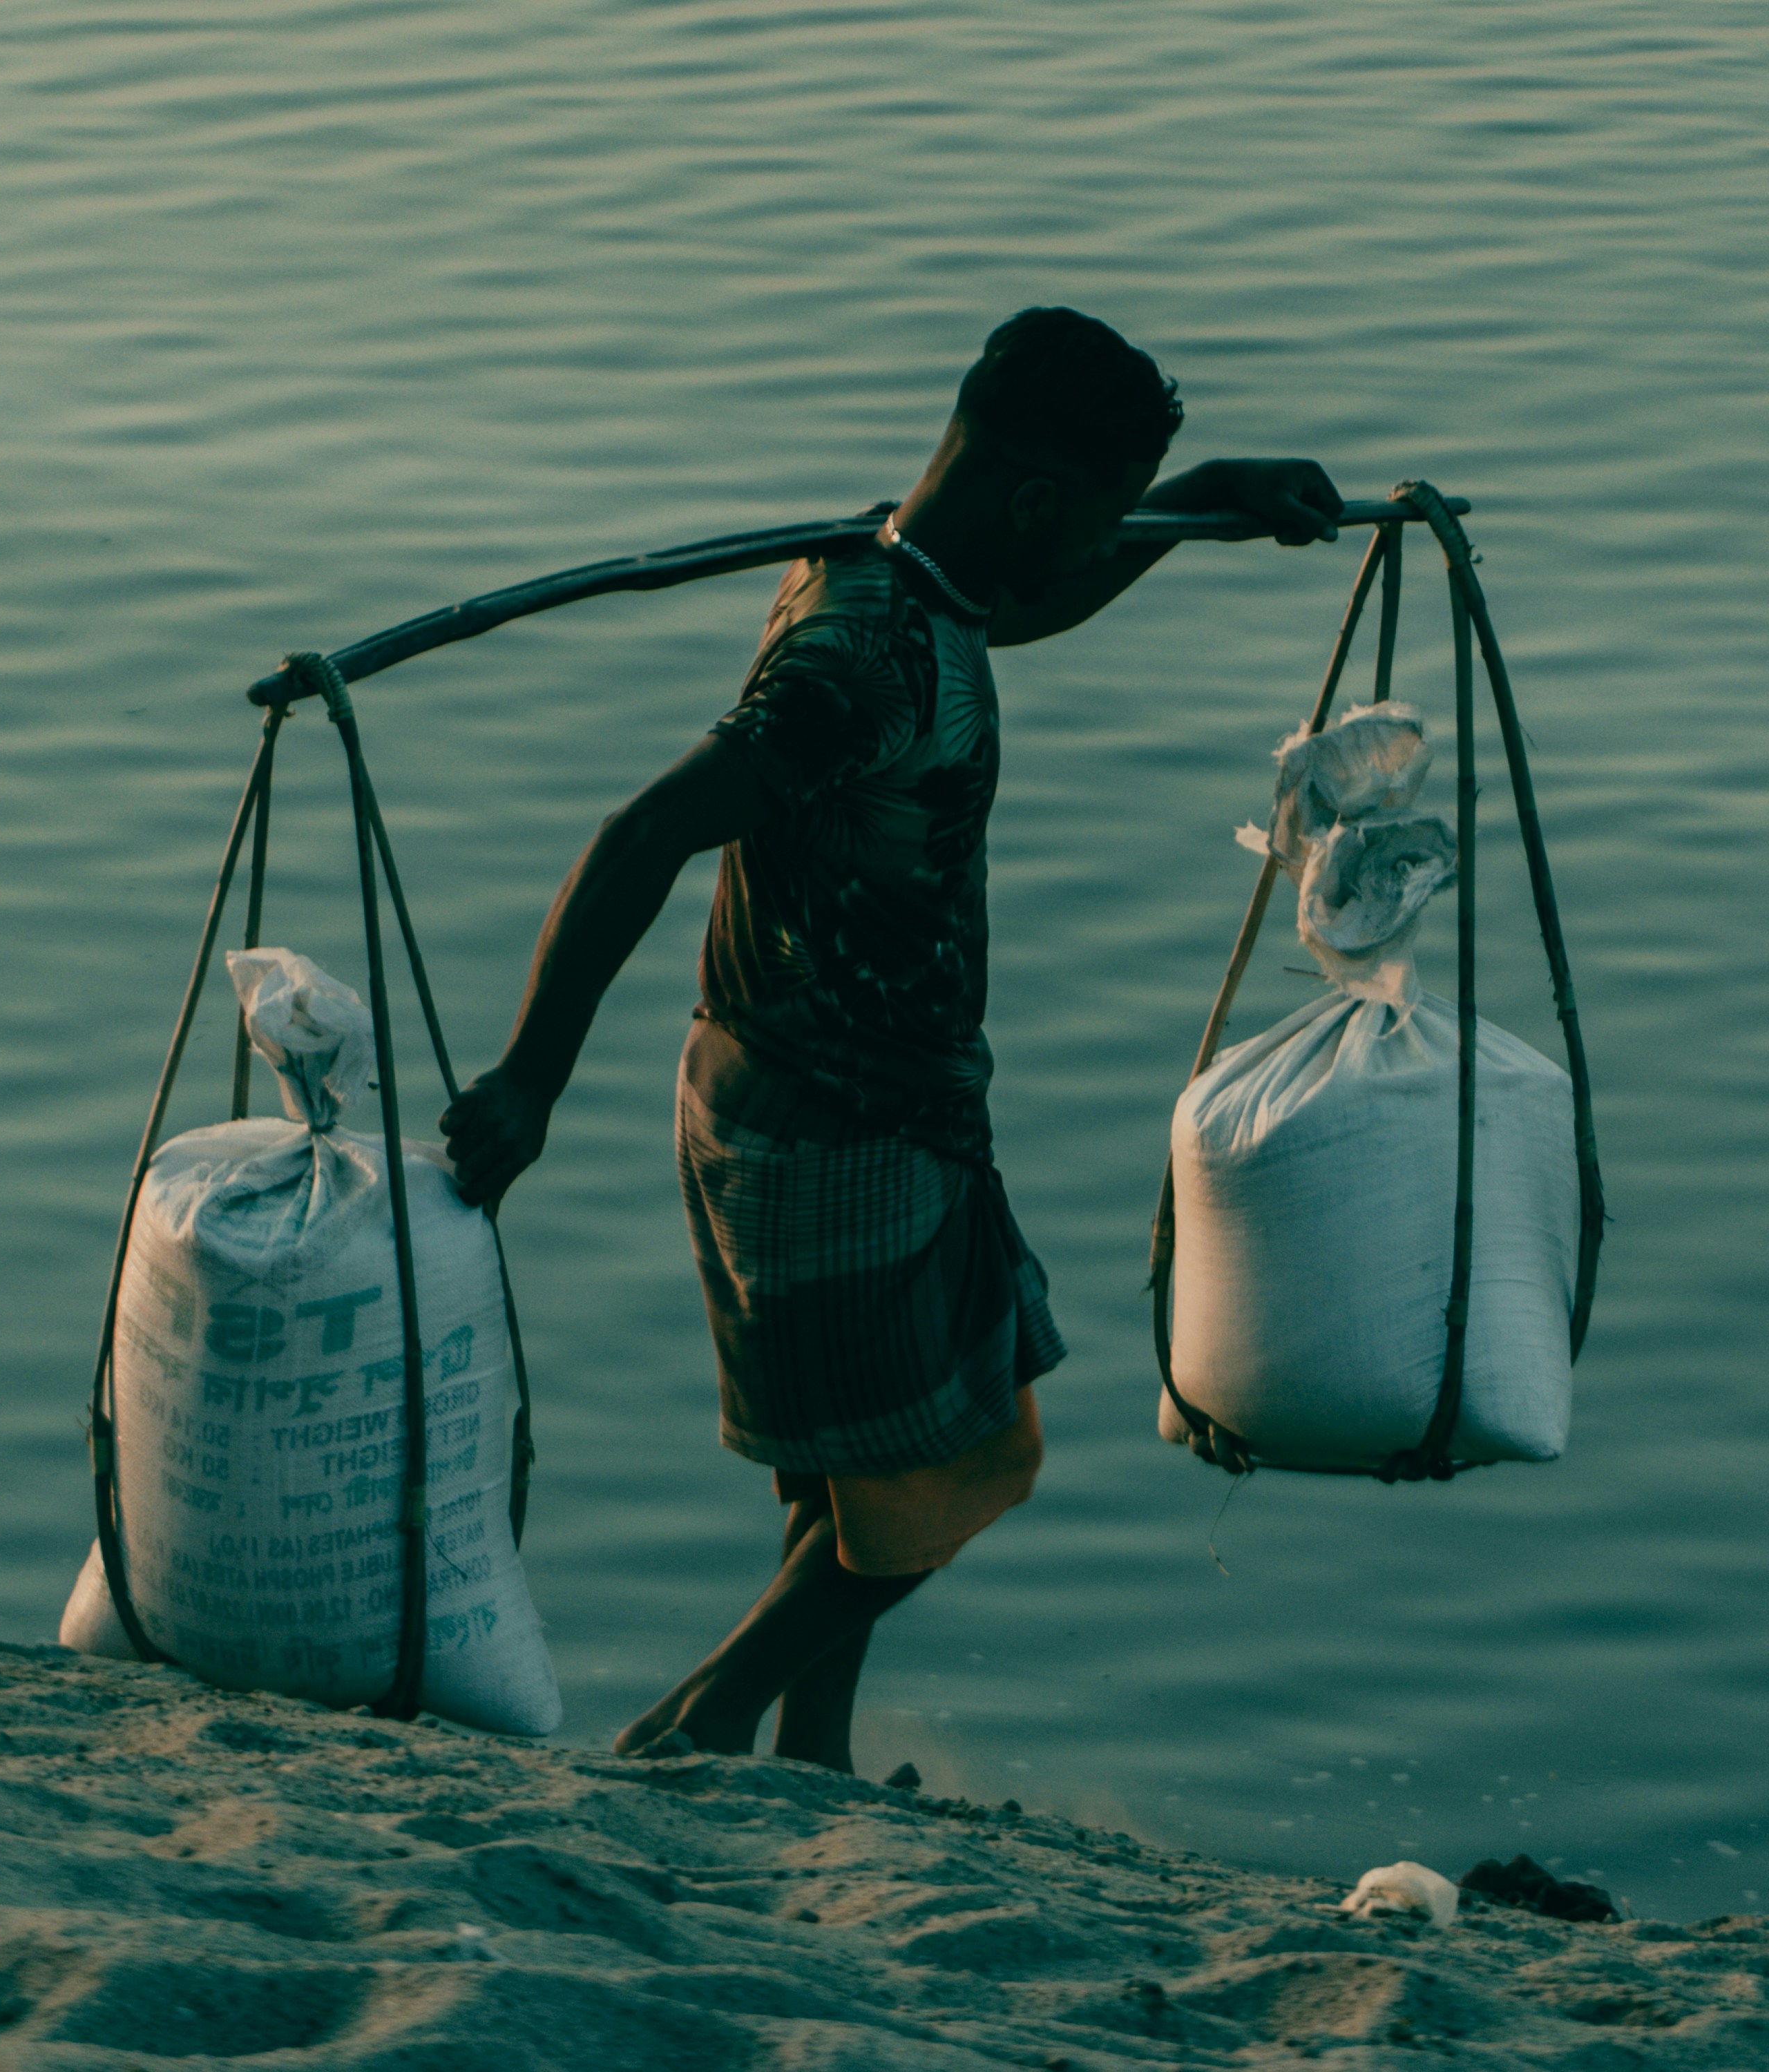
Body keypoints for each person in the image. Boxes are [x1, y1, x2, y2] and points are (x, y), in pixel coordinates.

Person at [439, 307, 1344, 1763]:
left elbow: (1023, 598)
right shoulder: (864, 661)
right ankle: (700, 1720)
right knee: (970, 1467)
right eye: (1100, 512)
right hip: (839, 1123)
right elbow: (649, 829)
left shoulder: (879, 565)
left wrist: (1207, 502)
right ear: (1037, 499)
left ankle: (813, 1753)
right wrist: (531, 1083)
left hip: (791, 1090)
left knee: (844, 1478)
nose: (1103, 542)